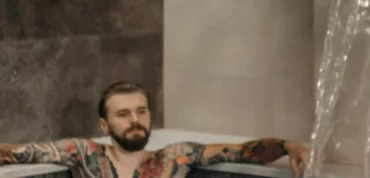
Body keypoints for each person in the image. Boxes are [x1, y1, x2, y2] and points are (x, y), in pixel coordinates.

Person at [0, 81, 310, 178]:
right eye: (123, 114)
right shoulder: (84, 153)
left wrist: (288, 146)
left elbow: (244, 152)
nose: (135, 120)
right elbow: (16, 153)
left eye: (141, 111)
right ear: (104, 125)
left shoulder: (174, 157)